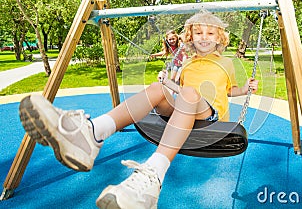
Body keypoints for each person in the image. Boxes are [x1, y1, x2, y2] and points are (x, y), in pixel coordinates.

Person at [18, 10, 259, 209]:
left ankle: (154, 174)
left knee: (188, 94)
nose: (204, 37)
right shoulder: (186, 62)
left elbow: (229, 91)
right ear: (190, 37)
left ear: (219, 38)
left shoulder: (227, 63)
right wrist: (167, 83)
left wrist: (246, 88)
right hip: (185, 109)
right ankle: (92, 134)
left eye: (210, 33)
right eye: (198, 33)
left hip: (211, 117)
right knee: (156, 88)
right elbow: (182, 89)